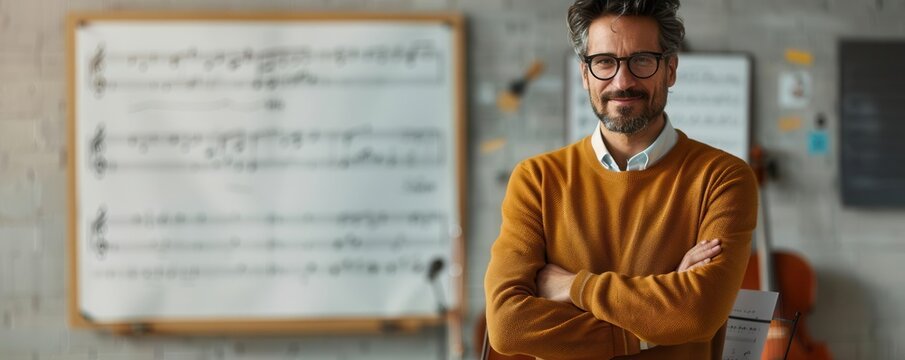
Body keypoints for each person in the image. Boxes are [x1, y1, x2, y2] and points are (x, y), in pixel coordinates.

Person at [483, 0, 759, 359]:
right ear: (585, 74)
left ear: (670, 70)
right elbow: (508, 326)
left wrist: (575, 287)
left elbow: (695, 314)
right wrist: (651, 327)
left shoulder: (722, 179)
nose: (622, 81)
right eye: (604, 62)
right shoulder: (536, 180)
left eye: (642, 60)